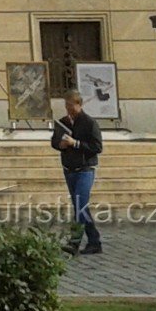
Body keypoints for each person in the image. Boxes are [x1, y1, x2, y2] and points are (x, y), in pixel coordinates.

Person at [51, 90, 104, 255]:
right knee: (80, 207)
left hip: (85, 169)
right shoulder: (62, 122)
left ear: (79, 104)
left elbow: (97, 147)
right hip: (69, 169)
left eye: (71, 105)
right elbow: (54, 142)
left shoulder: (89, 123)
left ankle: (74, 243)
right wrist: (61, 145)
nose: (68, 109)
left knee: (81, 204)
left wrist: (76, 143)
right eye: (66, 105)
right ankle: (94, 241)